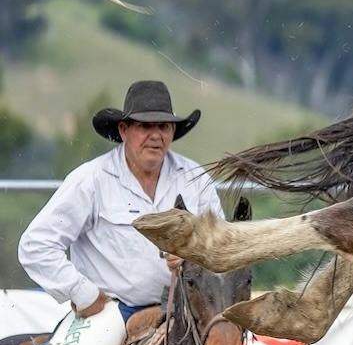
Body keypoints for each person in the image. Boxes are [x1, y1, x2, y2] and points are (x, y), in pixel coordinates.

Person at [19, 80, 223, 322]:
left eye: (163, 126)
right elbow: (35, 246)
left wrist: (194, 256)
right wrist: (84, 294)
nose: (155, 136)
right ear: (123, 130)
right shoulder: (91, 179)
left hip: (185, 313)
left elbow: (220, 249)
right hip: (110, 314)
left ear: (172, 132)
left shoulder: (195, 178)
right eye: (145, 126)